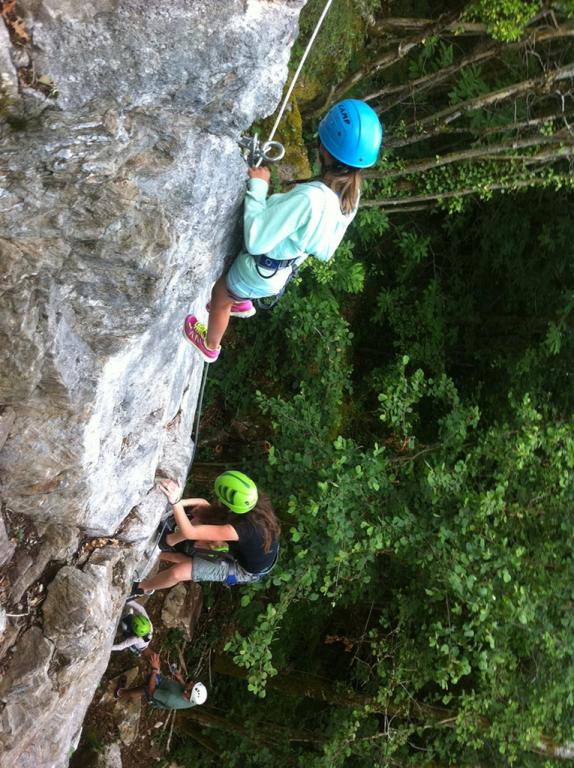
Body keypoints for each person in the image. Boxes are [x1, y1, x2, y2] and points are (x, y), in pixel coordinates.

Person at [183, 99, 383, 363]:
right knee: (236, 290)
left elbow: (255, 240)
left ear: (322, 146)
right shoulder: (350, 197)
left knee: (220, 295)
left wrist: (258, 187)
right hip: (277, 272)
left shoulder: (310, 200)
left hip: (258, 269)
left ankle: (210, 344)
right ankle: (242, 300)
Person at [130, 471, 280, 594]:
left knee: (178, 572)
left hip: (245, 570)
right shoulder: (255, 503)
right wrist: (179, 504)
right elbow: (203, 504)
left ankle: (142, 588)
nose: (217, 500)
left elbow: (190, 532)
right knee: (202, 514)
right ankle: (168, 541)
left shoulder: (238, 530)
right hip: (258, 553)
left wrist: (175, 502)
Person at [115, 651, 207, 710]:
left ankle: (120, 692)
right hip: (163, 685)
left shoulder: (171, 698)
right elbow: (185, 690)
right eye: (194, 683)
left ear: (187, 694)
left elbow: (151, 690)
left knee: (145, 689)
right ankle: (139, 648)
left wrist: (155, 669)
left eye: (192, 685)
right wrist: (181, 680)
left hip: (155, 693)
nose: (191, 682)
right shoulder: (195, 700)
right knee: (153, 657)